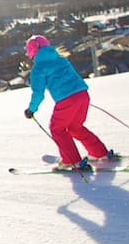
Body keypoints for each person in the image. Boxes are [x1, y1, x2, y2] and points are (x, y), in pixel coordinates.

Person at [23, 34, 113, 171]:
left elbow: (38, 93)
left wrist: (31, 110)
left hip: (67, 100)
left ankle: (71, 161)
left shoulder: (38, 69)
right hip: (83, 95)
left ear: (31, 52)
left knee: (57, 129)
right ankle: (100, 152)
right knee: (75, 127)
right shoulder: (61, 60)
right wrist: (77, 96)